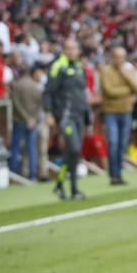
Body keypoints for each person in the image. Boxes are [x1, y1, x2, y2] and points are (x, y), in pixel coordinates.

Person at [44, 37, 90, 201]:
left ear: (78, 51)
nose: (71, 51)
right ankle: (74, 189)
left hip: (79, 115)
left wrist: (87, 115)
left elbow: (82, 93)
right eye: (68, 48)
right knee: (75, 149)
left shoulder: (79, 67)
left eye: (74, 48)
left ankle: (60, 185)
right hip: (65, 116)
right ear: (63, 50)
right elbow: (48, 91)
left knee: (72, 152)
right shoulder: (58, 67)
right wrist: (48, 113)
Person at [99, 46, 137, 185]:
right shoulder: (106, 71)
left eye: (122, 57)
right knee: (113, 142)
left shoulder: (128, 70)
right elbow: (109, 91)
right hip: (110, 111)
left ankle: (119, 172)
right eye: (117, 57)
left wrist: (126, 77)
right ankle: (113, 174)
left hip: (126, 111)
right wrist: (127, 91)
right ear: (112, 57)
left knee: (123, 144)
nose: (120, 60)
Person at [9, 61, 44, 180]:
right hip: (32, 122)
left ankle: (13, 174)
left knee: (15, 147)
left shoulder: (16, 85)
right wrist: (32, 118)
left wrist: (26, 118)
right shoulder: (35, 86)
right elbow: (40, 104)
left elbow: (16, 104)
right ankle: (32, 174)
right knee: (31, 147)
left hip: (19, 120)